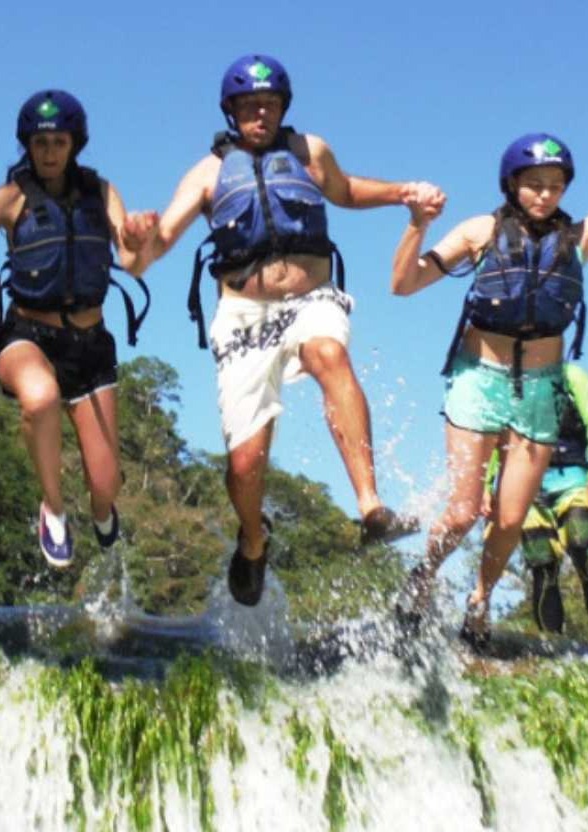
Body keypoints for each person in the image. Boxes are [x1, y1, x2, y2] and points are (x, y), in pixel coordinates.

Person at [123, 54, 438, 606]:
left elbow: (346, 191)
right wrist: (135, 241)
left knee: (327, 353)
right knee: (245, 463)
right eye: (249, 105)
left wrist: (402, 193)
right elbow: (150, 253)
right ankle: (252, 540)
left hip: (311, 298)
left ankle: (371, 506)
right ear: (232, 112)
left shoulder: (309, 152)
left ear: (283, 108)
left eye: (269, 104)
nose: (260, 113)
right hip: (244, 317)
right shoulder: (207, 173)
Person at [391, 120, 588, 649]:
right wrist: (416, 224)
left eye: (555, 185)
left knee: (513, 517)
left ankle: (479, 598)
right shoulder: (481, 232)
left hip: (539, 390)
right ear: (511, 183)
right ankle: (423, 575)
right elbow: (403, 284)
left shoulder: (581, 236)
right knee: (464, 510)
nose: (545, 194)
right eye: (534, 183)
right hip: (478, 381)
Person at [0, 90, 152, 569]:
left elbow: (131, 260)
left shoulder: (101, 192)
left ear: (74, 144)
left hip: (89, 345)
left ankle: (100, 510)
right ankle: (53, 508)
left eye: (58, 142)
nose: (48, 152)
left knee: (105, 487)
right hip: (29, 335)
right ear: (27, 144)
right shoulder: (9, 199)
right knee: (40, 396)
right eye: (40, 142)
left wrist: (136, 239)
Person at [481, 362, 588, 649]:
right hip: (525, 488)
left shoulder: (572, 377)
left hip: (573, 480)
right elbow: (495, 438)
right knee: (542, 565)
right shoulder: (506, 385)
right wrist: (486, 486)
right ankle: (553, 647)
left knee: (585, 551)